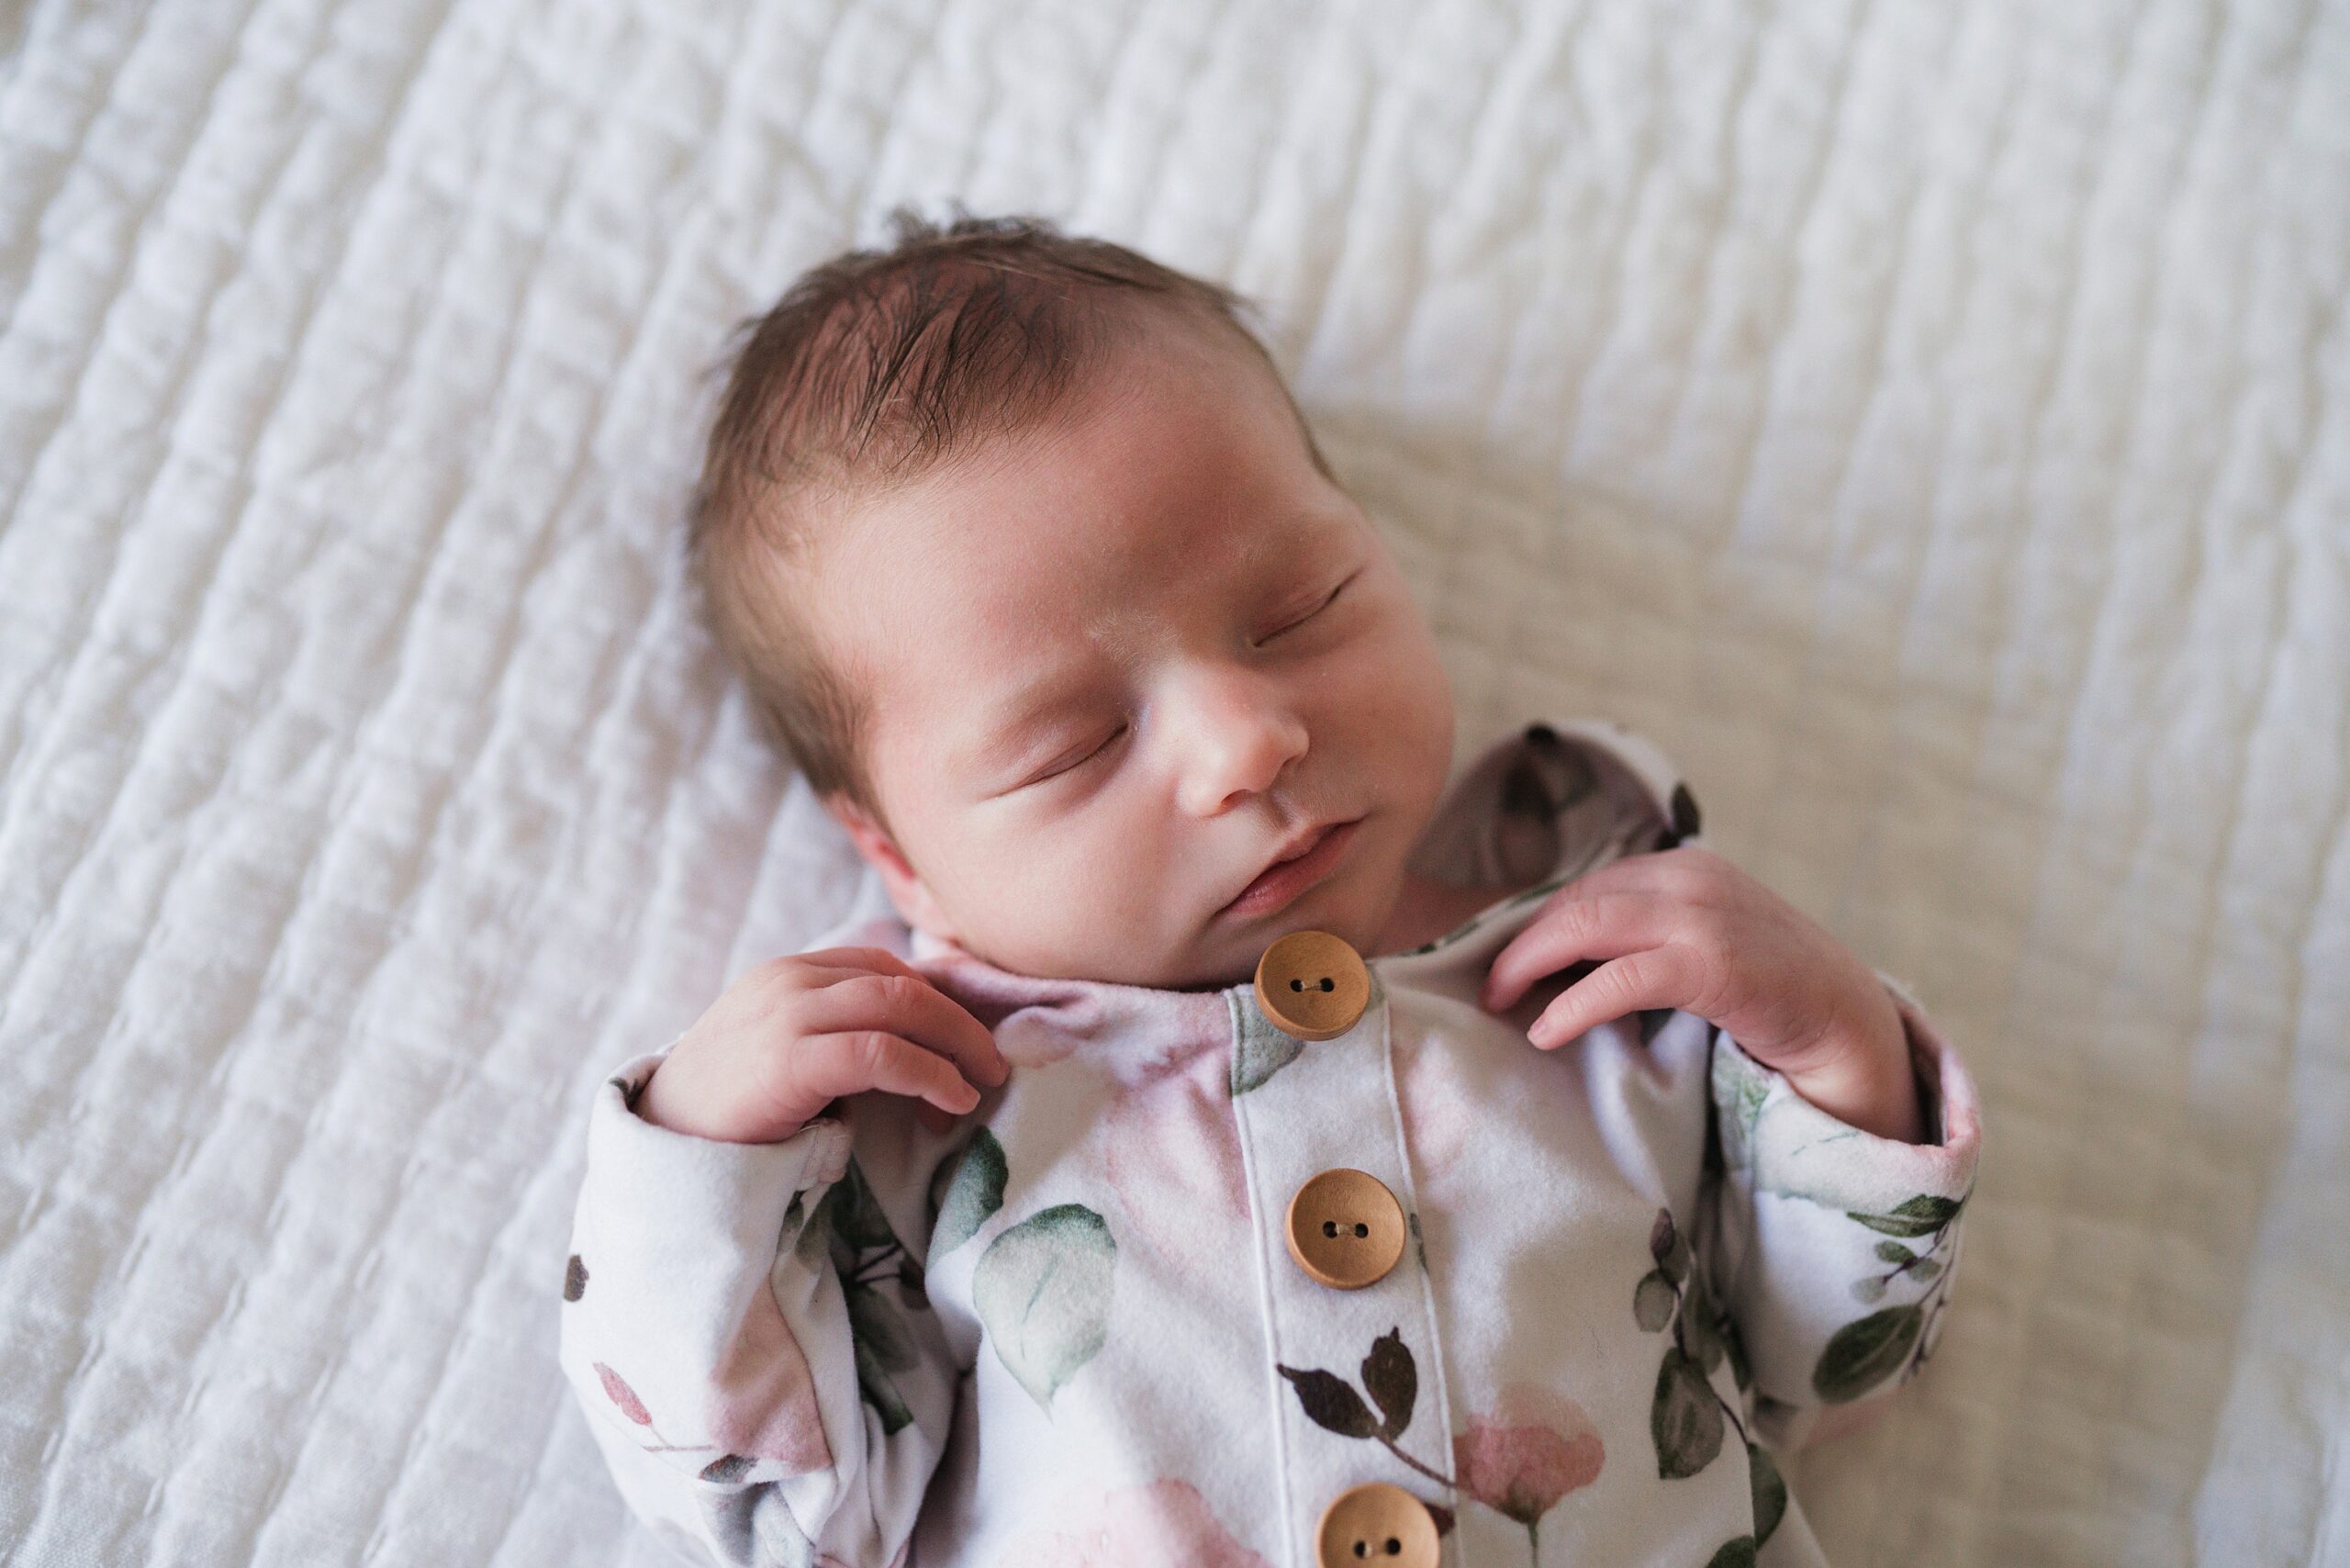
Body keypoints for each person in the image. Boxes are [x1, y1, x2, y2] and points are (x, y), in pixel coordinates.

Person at [556, 209, 1981, 1568]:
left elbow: (1827, 1371)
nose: (1247, 742)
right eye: (1075, 743)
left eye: (1302, 609)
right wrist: (693, 1180)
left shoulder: (1609, 968)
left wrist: (1841, 1058)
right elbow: (792, 1523)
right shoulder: (922, 1110)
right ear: (897, 854)